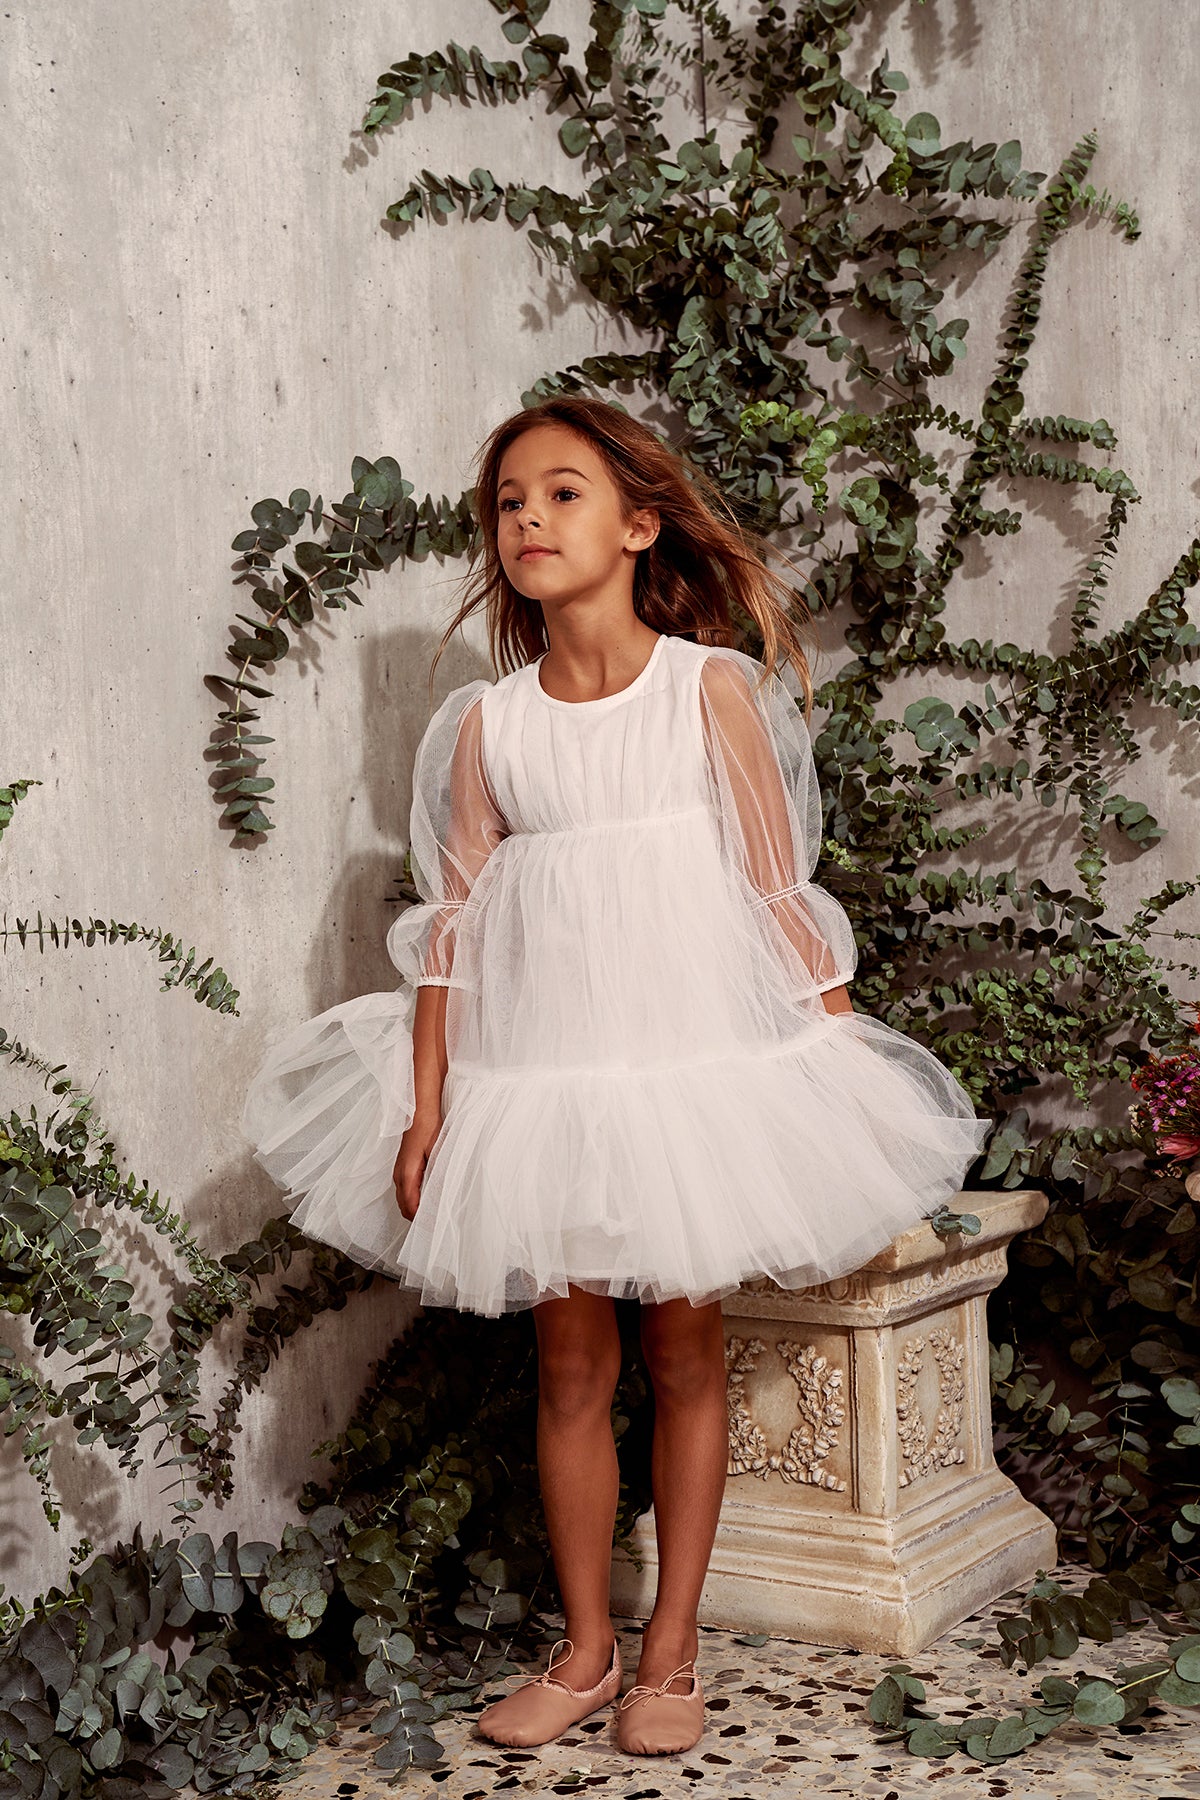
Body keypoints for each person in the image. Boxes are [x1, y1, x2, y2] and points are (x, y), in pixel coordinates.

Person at [241, 396, 989, 1758]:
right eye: (508, 503)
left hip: (680, 1080)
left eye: (563, 493)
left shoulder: (707, 691)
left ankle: (671, 1651)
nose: (528, 519)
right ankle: (586, 1650)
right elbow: (450, 930)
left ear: (641, 525)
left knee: (684, 1352)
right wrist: (427, 1103)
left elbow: (777, 892)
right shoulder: (489, 725)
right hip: (541, 1081)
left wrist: (845, 1074)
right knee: (569, 1365)